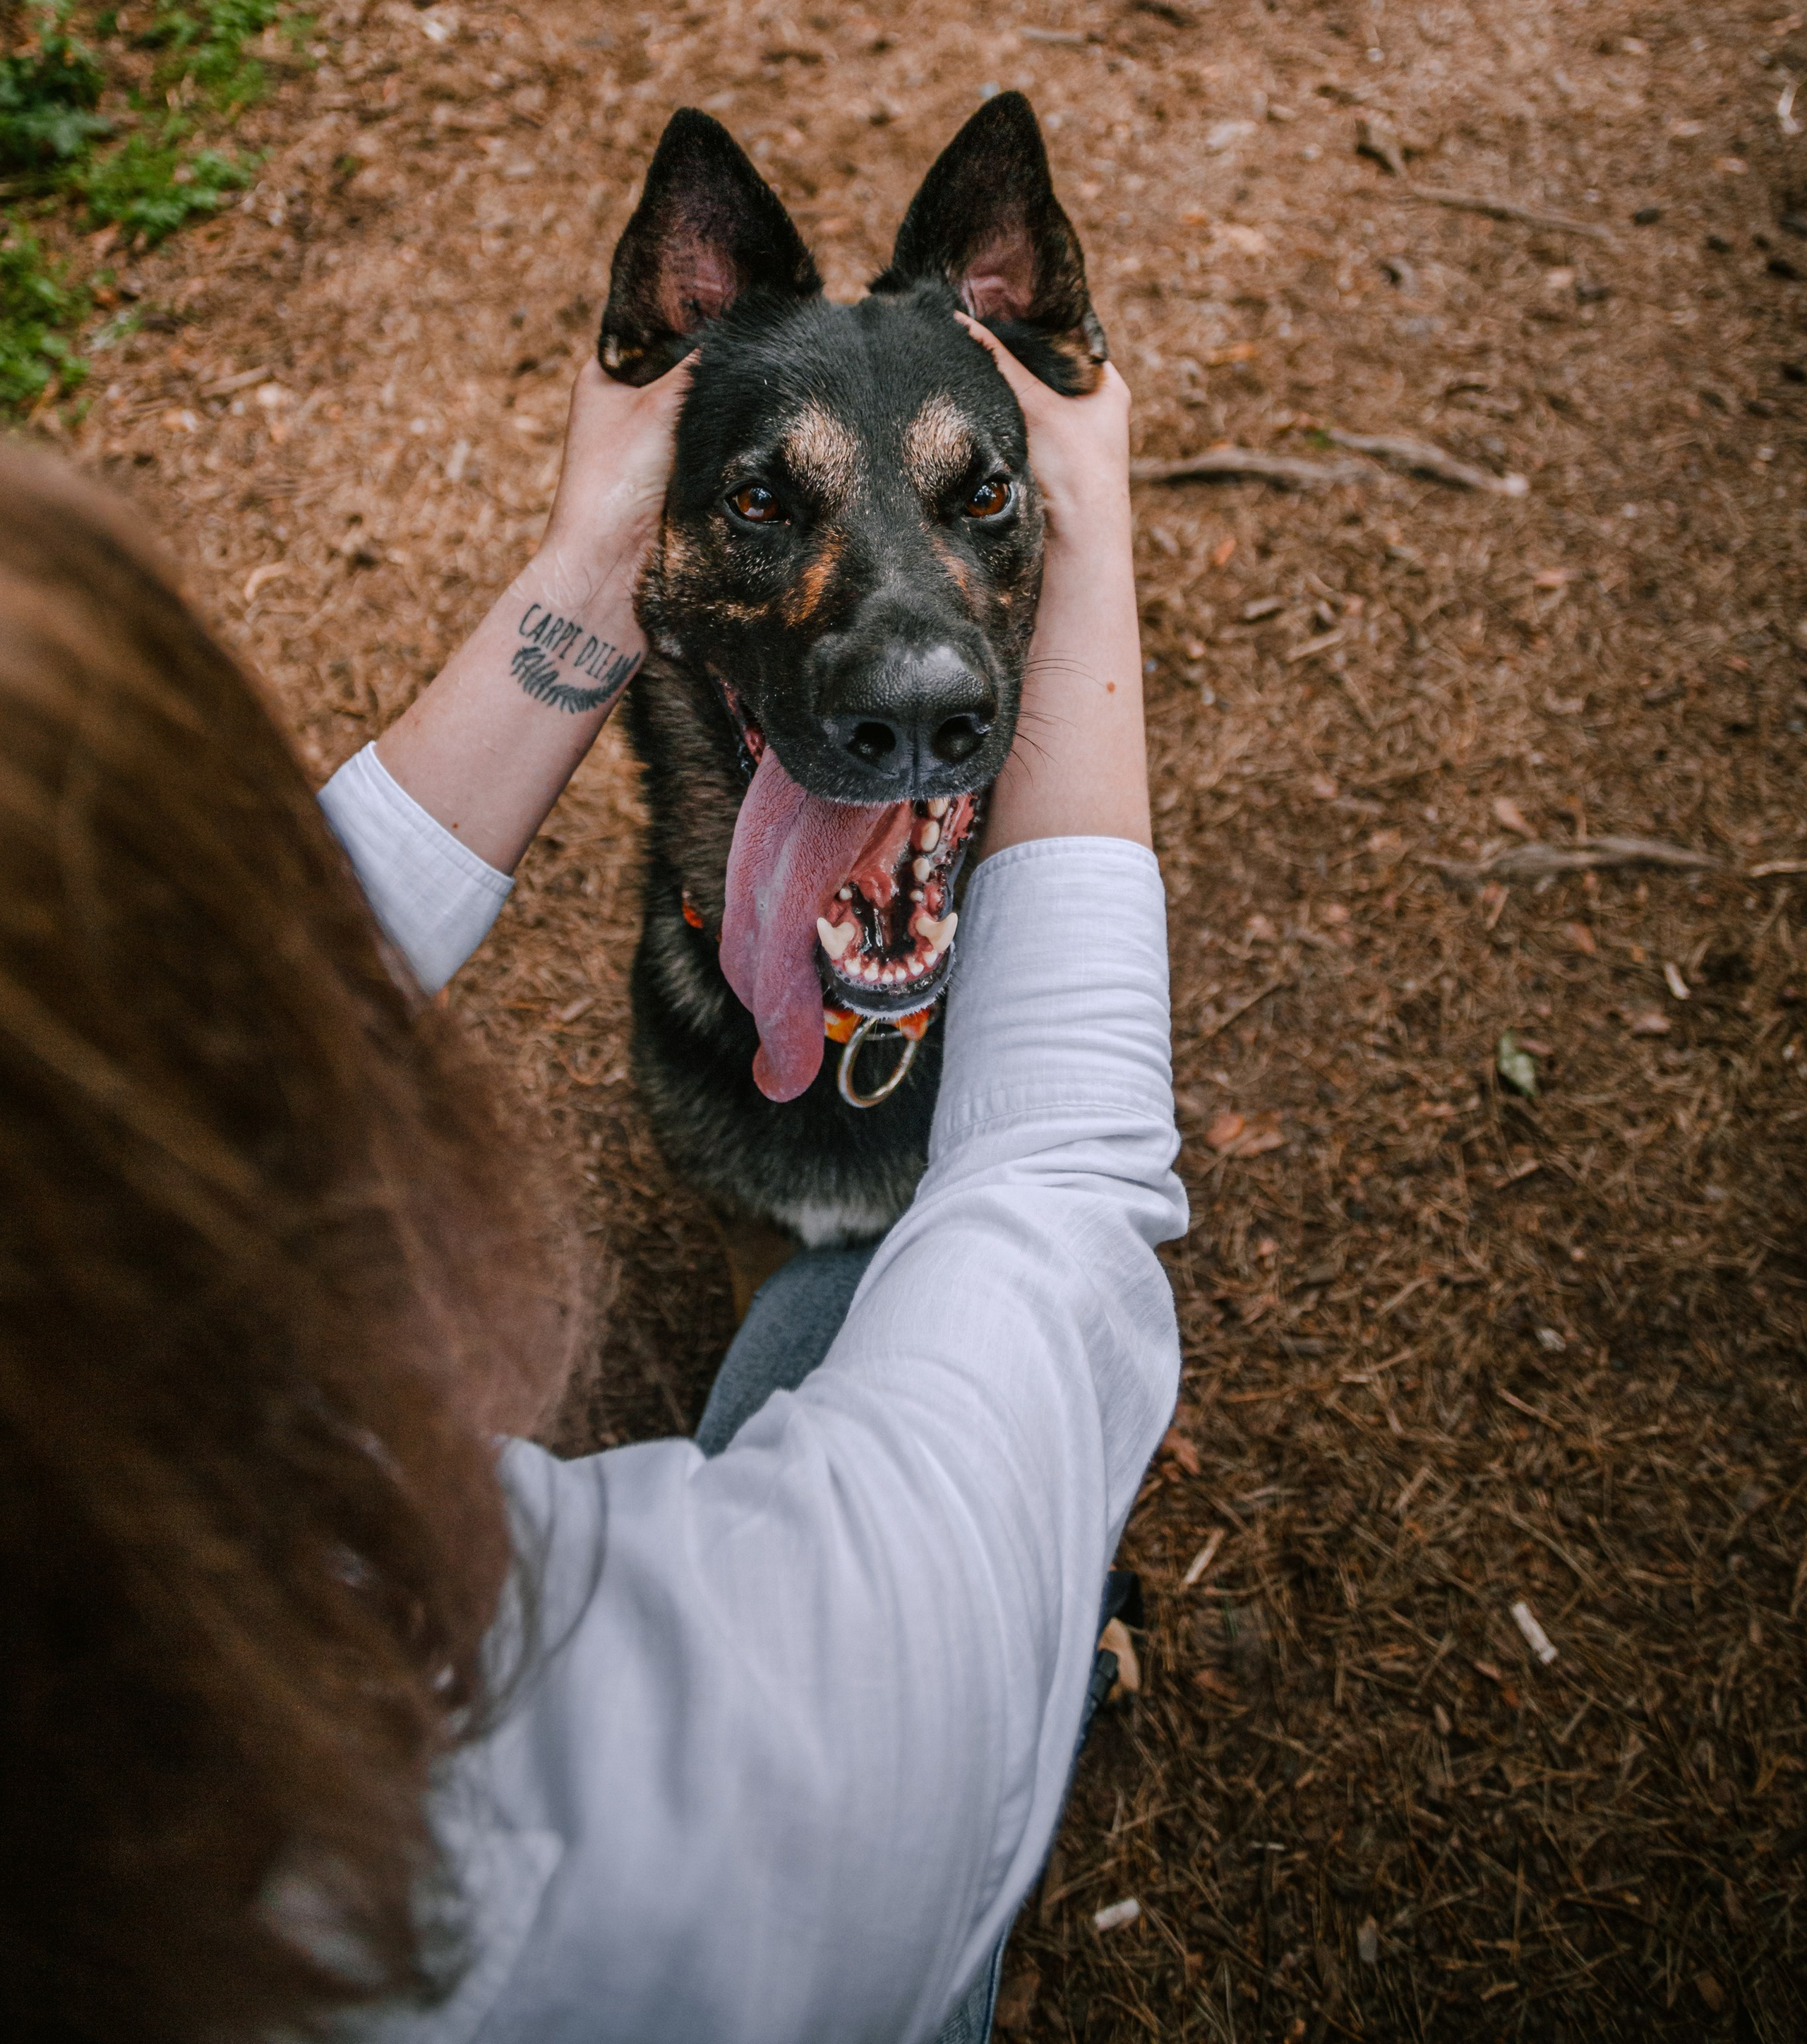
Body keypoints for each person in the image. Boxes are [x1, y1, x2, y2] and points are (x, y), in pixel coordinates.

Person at [0, 324, 1184, 2044]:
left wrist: (593, 562)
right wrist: (1081, 530)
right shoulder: (709, 1760)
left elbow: (170, 1002)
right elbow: (1060, 1188)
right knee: (837, 1297)